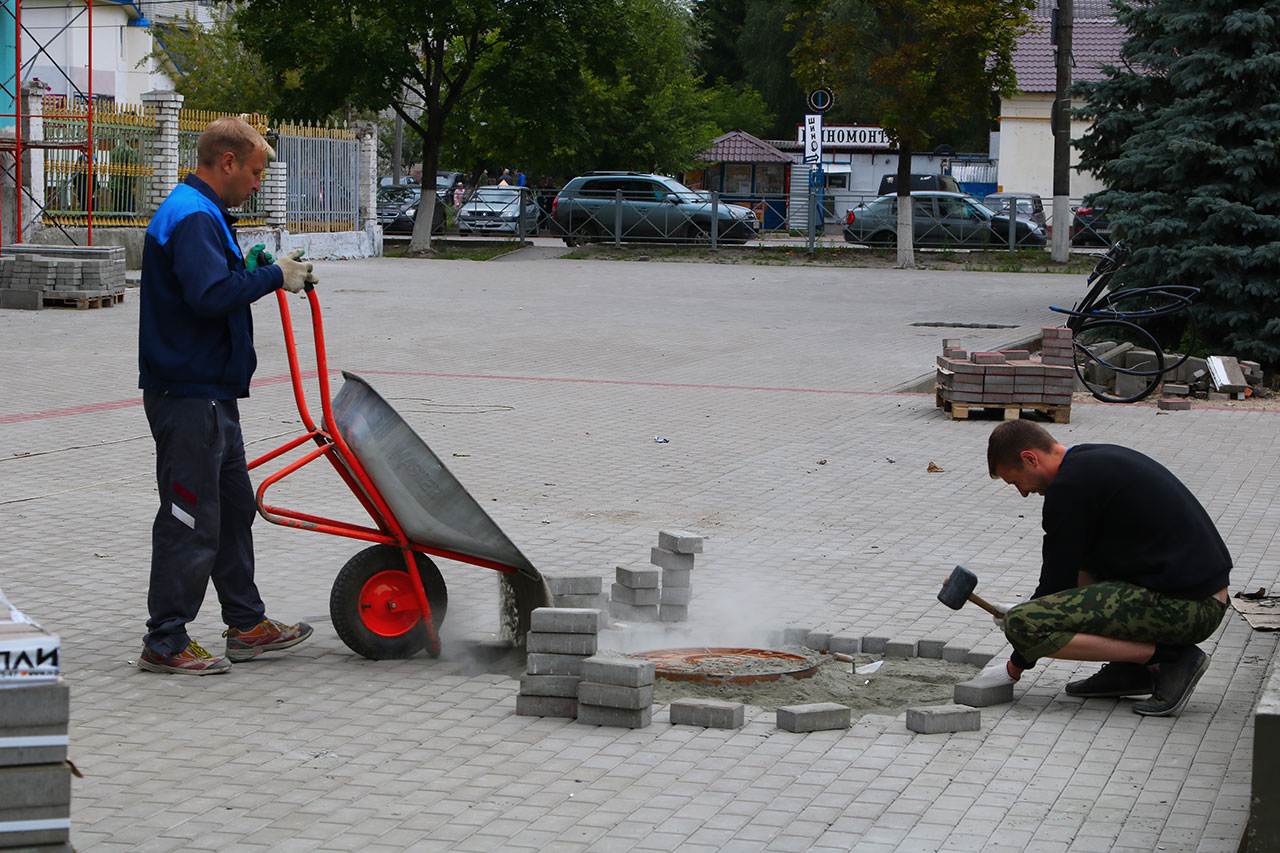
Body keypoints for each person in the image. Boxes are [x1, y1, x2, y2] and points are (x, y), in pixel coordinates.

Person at [137, 117, 318, 675]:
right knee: (190, 517)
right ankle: (165, 642)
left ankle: (245, 623)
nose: (260, 183)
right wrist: (272, 279)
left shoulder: (203, 212)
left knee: (235, 509)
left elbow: (214, 278)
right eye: (257, 171)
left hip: (211, 393)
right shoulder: (192, 216)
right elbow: (209, 295)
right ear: (229, 162)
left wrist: (250, 267)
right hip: (187, 393)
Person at [976, 420, 1231, 716]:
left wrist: (1014, 665)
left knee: (1024, 624)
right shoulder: (1088, 463)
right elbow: (1079, 579)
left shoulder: (1068, 490)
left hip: (1189, 608)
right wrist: (1037, 607)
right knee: (1056, 602)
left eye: (1017, 481)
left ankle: (1170, 660)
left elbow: (1055, 586)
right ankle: (1131, 671)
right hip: (1199, 597)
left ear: (1030, 458)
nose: (1022, 492)